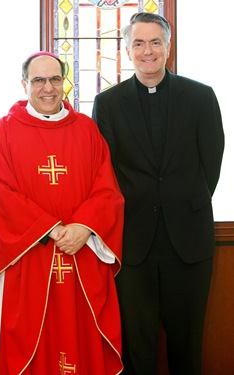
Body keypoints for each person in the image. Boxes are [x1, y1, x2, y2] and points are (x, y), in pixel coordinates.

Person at [92, 11, 225, 375]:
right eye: (138, 43)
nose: (147, 50)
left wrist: (182, 202)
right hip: (133, 242)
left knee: (187, 342)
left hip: (189, 239)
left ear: (168, 47)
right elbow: (104, 171)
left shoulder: (200, 96)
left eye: (155, 42)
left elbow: (210, 162)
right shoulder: (108, 103)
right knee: (138, 345)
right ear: (126, 50)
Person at [0, 51, 125, 375]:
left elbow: (107, 190)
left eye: (55, 79)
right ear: (24, 84)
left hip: (81, 257)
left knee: (82, 342)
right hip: (27, 261)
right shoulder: (3, 132)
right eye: (39, 80)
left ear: (64, 83)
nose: (48, 88)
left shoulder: (86, 130)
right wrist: (53, 230)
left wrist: (84, 227)